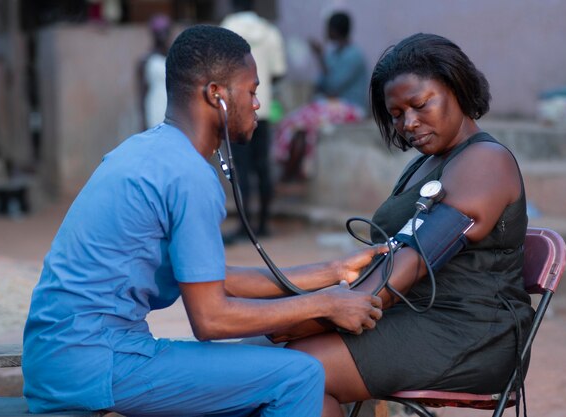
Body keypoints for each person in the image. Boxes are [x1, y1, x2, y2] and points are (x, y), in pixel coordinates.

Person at [22, 25, 385, 417]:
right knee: (299, 375)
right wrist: (323, 304)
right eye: (252, 90)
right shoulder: (190, 176)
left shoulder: (148, 149)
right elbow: (211, 318)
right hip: (97, 363)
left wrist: (330, 271)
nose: (258, 104)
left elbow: (210, 276)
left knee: (267, 360)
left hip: (57, 357)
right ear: (217, 95)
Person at [286, 33, 536, 416]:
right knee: (276, 367)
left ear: (457, 88)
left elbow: (414, 258)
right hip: (413, 316)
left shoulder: (485, 161)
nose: (409, 123)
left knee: (293, 371)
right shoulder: (426, 162)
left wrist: (316, 315)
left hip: (470, 333)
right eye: (397, 114)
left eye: (419, 105)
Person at [274, 11, 368, 182]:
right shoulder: (333, 54)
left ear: (335, 30)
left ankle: (291, 176)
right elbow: (320, 84)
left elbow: (332, 86)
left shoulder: (353, 55)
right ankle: (291, 174)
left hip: (351, 107)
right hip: (331, 104)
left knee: (304, 121)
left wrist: (320, 57)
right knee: (295, 123)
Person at [221, 0, 287, 240]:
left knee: (240, 169)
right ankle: (264, 223)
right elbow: (279, 71)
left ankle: (244, 225)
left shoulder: (227, 27)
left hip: (236, 111)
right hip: (264, 108)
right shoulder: (270, 32)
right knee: (262, 168)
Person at [137, 14, 171, 130]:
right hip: (155, 105)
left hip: (172, 107)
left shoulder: (173, 57)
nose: (163, 36)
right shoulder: (146, 60)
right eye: (159, 32)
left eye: (165, 31)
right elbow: (141, 92)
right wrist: (142, 120)